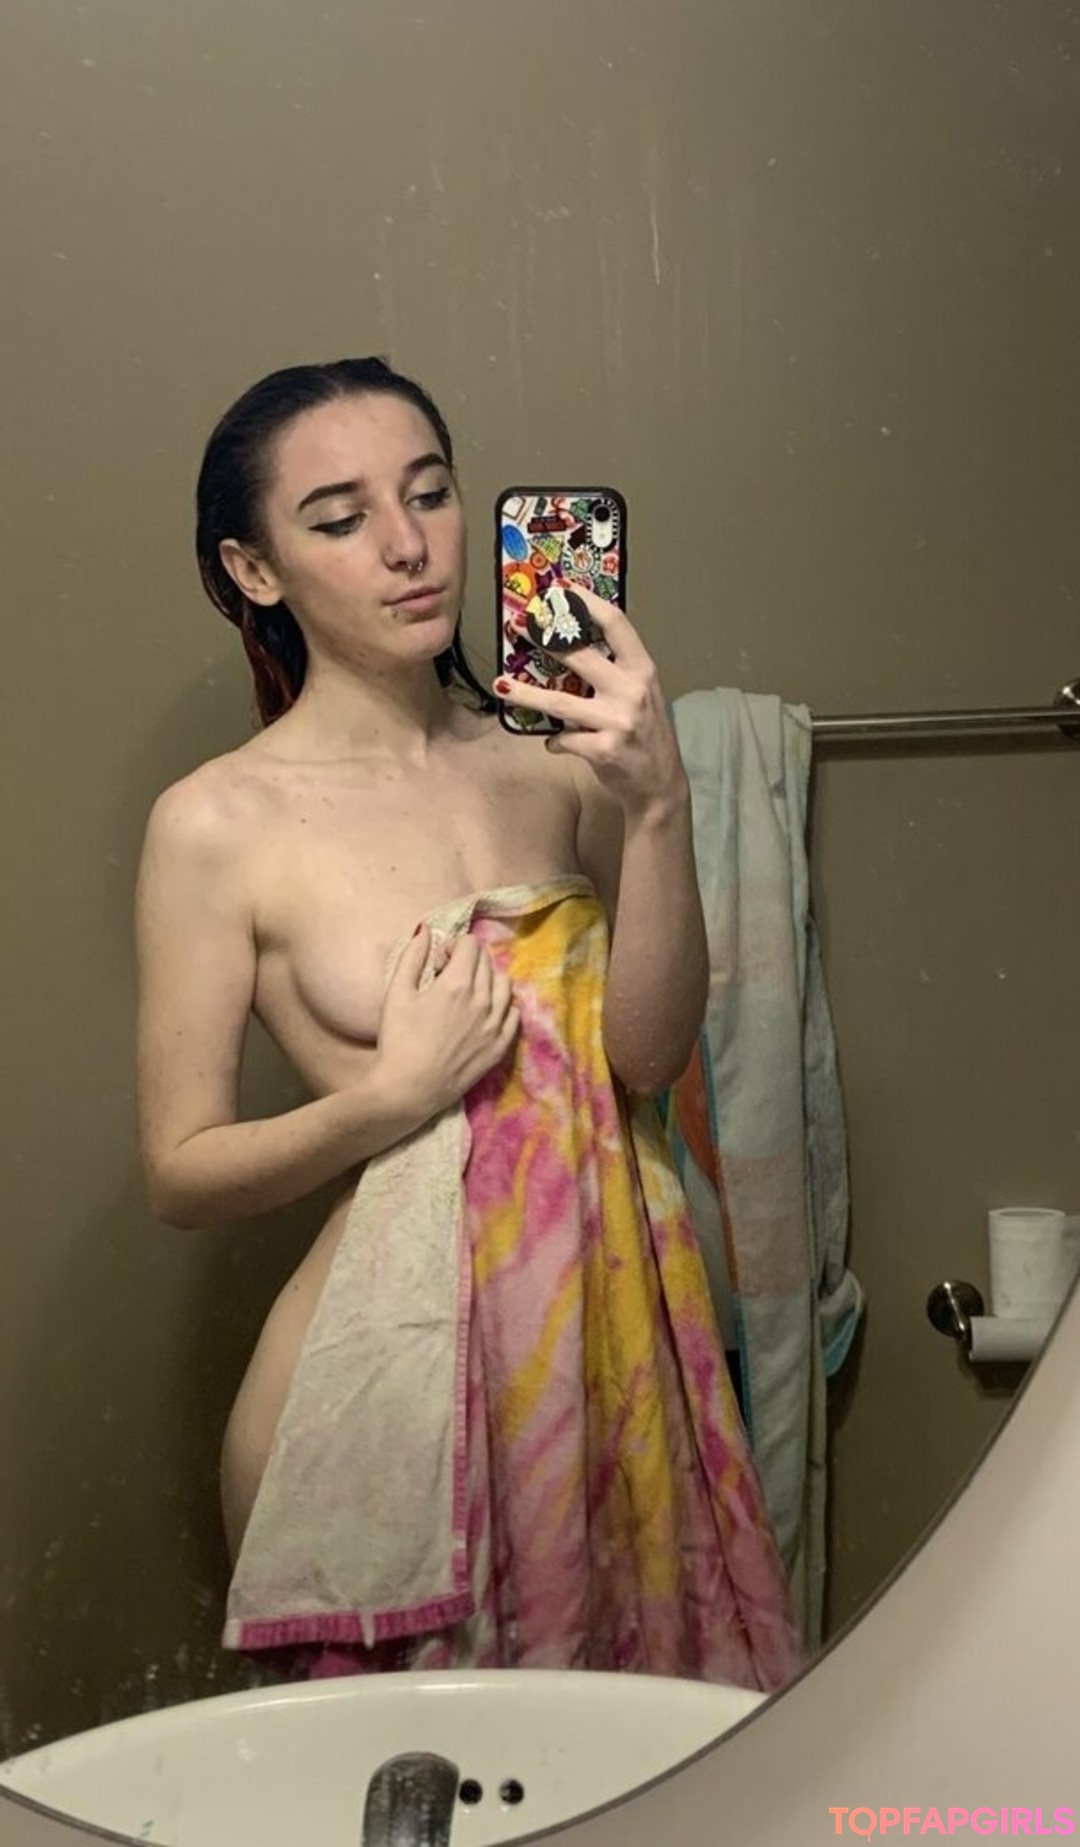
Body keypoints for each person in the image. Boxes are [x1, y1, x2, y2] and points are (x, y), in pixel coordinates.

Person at [135, 357, 801, 1688]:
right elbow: (180, 1171)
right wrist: (388, 1099)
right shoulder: (216, 824)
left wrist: (659, 807)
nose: (407, 545)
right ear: (255, 570)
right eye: (339, 519)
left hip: (612, 1360)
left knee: (651, 1768)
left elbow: (649, 1059)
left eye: (430, 494)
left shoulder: (559, 764)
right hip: (387, 1387)